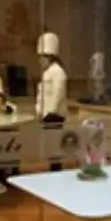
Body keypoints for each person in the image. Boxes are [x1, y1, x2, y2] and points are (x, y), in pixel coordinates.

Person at [36, 32, 68, 171]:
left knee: (54, 147)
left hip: (54, 115)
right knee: (50, 147)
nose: (40, 60)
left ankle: (56, 170)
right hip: (47, 115)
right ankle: (53, 169)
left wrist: (51, 112)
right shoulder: (47, 72)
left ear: (48, 57)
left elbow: (58, 93)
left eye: (41, 57)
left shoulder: (58, 72)